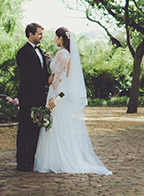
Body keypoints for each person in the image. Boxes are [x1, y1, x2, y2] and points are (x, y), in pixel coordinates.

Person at [34, 27, 112, 175]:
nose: (55, 39)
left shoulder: (62, 53)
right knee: (61, 125)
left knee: (54, 125)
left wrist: (52, 97)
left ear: (61, 39)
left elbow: (56, 76)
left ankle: (55, 160)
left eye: (56, 37)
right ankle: (62, 158)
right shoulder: (68, 54)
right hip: (64, 91)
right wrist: (51, 60)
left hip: (57, 92)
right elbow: (63, 70)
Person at [16, 22, 52, 172]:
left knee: (36, 127)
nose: (42, 36)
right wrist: (46, 79)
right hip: (28, 95)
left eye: (42, 34)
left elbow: (42, 71)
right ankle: (21, 161)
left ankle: (31, 159)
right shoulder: (23, 52)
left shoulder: (41, 52)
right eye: (39, 34)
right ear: (31, 35)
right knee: (25, 127)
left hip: (39, 96)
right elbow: (29, 75)